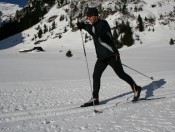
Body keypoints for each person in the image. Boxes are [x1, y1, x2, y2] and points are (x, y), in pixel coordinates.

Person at [77, 7, 141, 107]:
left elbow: (96, 33)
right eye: (87, 16)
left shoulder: (103, 24)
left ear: (95, 16)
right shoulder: (92, 25)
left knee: (121, 74)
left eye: (89, 16)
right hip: (102, 57)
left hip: (112, 55)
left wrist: (85, 26)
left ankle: (136, 88)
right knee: (96, 75)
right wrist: (82, 26)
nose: (88, 18)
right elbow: (91, 29)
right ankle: (95, 98)